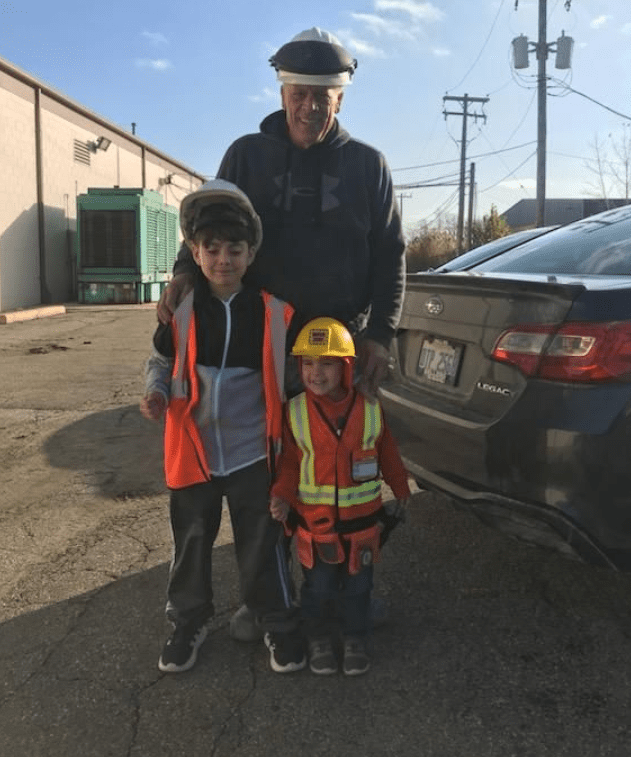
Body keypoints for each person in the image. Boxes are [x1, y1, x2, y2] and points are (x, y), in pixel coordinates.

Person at [157, 26, 406, 400]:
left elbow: (390, 255)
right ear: (282, 95)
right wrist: (185, 273)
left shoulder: (369, 166)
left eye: (323, 95)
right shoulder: (247, 156)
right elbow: (209, 225)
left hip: (338, 349)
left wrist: (381, 336)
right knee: (262, 454)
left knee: (333, 454)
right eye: (300, 94)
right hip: (255, 345)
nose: (311, 106)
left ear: (339, 100)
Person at [140, 179, 305, 674]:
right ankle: (188, 622)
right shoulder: (182, 311)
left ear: (252, 254)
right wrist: (156, 391)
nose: (223, 259)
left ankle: (277, 621)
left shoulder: (275, 313)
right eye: (211, 249)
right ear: (194, 251)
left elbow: (293, 383)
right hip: (193, 455)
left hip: (255, 453)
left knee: (263, 541)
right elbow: (159, 360)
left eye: (235, 249)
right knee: (191, 542)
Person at [269, 317, 411, 676]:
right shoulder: (295, 412)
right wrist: (282, 497)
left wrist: (401, 487)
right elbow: (288, 464)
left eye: (327, 363)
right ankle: (317, 639)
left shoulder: (370, 409)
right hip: (316, 531)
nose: (316, 373)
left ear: (346, 368)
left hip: (362, 530)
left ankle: (354, 639)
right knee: (317, 589)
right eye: (308, 364)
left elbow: (388, 452)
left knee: (359, 588)